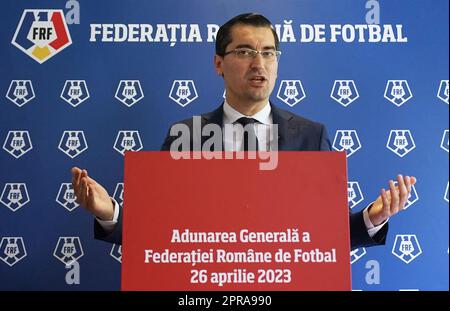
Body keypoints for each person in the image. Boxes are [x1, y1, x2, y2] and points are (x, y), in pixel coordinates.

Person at [71, 13, 416, 250]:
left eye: (268, 53)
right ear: (218, 63)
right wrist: (109, 213)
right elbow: (158, 234)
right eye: (245, 51)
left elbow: (324, 239)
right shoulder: (184, 135)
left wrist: (372, 218)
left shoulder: (311, 136)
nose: (259, 63)